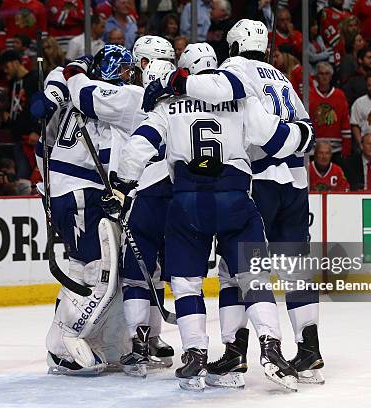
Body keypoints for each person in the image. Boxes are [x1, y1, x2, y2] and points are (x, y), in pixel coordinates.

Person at [116, 39, 314, 391]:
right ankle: (271, 346)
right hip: (235, 199)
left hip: (188, 202)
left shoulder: (169, 103)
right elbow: (273, 138)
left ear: (187, 71)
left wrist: (121, 185)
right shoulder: (241, 99)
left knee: (186, 282)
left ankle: (195, 352)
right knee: (252, 277)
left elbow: (138, 146)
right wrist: (303, 134)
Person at [66, 37, 176, 377]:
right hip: (180, 195)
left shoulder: (132, 96)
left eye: (135, 65)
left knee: (133, 272)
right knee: (162, 273)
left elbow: (84, 95)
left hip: (140, 192)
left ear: (145, 65)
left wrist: (74, 69)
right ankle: (160, 339)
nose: (128, 72)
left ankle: (137, 342)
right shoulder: (183, 101)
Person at [30, 49, 131, 376]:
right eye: (126, 71)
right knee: (96, 270)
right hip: (79, 193)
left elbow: (39, 129)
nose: (129, 76)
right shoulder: (111, 102)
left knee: (78, 268)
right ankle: (64, 347)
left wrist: (55, 91)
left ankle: (66, 344)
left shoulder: (70, 85)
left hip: (62, 190)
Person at [0, 49, 40, 180]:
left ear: (16, 63)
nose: (5, 70)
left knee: (27, 176)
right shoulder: (12, 83)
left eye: (7, 66)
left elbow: (38, 106)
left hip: (31, 138)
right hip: (18, 137)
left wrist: (37, 130)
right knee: (21, 177)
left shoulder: (34, 79)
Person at [309, 61, 351, 165]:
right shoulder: (310, 94)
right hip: (314, 148)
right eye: (321, 74)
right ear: (316, 76)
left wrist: (346, 146)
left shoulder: (339, 95)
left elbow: (345, 120)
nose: (324, 77)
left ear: (331, 76)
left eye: (327, 73)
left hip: (336, 148)